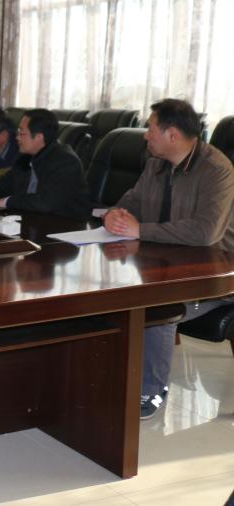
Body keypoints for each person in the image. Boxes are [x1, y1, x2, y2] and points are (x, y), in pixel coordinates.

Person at [102, 99, 234, 420]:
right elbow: (130, 202)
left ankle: (150, 393)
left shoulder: (217, 170)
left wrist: (140, 229)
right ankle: (105, 380)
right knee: (105, 294)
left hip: (214, 275)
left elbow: (205, 233)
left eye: (151, 128)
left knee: (159, 306)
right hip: (163, 265)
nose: (146, 135)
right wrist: (114, 214)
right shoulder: (155, 165)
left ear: (172, 134)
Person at [0, 108, 91, 218]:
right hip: (33, 219)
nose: (17, 137)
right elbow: (4, 184)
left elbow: (45, 202)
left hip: (66, 224)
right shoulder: (25, 157)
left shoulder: (66, 162)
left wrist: (7, 201)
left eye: (21, 133)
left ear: (39, 137)